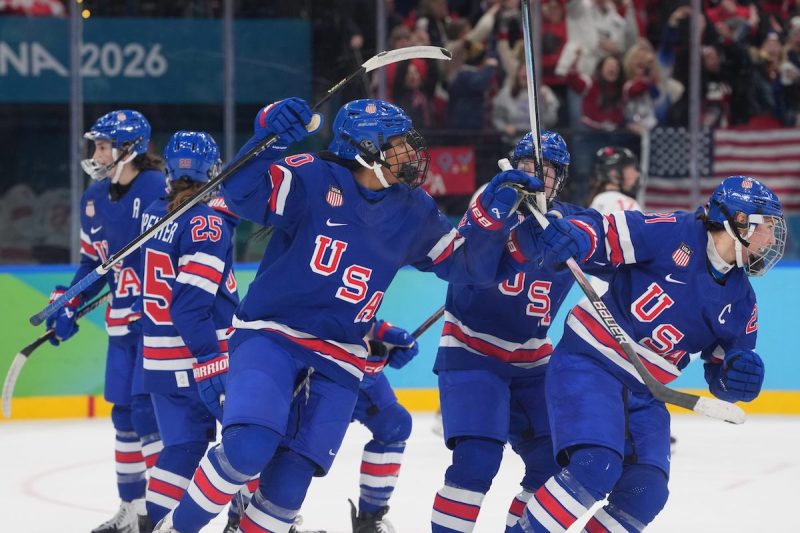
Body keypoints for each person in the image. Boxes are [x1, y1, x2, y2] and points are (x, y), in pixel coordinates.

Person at [153, 97, 543, 533]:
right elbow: (241, 193)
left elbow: (470, 268)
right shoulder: (312, 175)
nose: (411, 153)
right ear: (365, 148)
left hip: (341, 355)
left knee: (288, 486)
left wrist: (493, 218)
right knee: (247, 448)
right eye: (398, 143)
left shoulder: (414, 208)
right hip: (271, 334)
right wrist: (267, 134)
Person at [509, 175, 785, 532]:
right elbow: (603, 231)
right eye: (768, 227)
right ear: (739, 222)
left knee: (646, 492)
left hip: (647, 391)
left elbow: (721, 376)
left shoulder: (742, 301)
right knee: (595, 466)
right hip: (592, 363)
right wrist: (578, 235)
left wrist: (736, 379)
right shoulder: (673, 231)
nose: (772, 239)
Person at [431, 131, 583, 533]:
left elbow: (621, 243)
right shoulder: (490, 202)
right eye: (527, 165)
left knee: (554, 463)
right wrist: (497, 215)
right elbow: (469, 257)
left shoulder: (572, 222)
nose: (535, 174)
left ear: (560, 178)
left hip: (532, 360)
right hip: (471, 351)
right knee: (477, 461)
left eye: (546, 169)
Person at [45, 110, 166, 532]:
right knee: (125, 418)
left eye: (102, 146)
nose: (95, 154)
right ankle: (132, 511)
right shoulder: (93, 198)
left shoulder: (158, 188)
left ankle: (160, 514)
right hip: (120, 326)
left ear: (129, 148)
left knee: (149, 415)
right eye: (95, 146)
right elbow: (91, 264)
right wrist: (69, 301)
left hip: (155, 324)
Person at [136, 131, 244, 532]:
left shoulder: (153, 213)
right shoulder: (206, 225)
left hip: (157, 355)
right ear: (212, 171)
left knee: (181, 448)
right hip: (199, 356)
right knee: (251, 438)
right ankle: (246, 521)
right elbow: (189, 307)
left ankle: (154, 526)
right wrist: (210, 359)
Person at [347, 319, 419, 533]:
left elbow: (358, 308)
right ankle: (267, 520)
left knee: (394, 424)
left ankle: (368, 522)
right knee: (285, 437)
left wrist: (378, 331)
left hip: (356, 366)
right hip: (310, 362)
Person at [588, 145, 642, 214]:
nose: (637, 174)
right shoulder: (626, 204)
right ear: (613, 173)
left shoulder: (597, 200)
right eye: (633, 169)